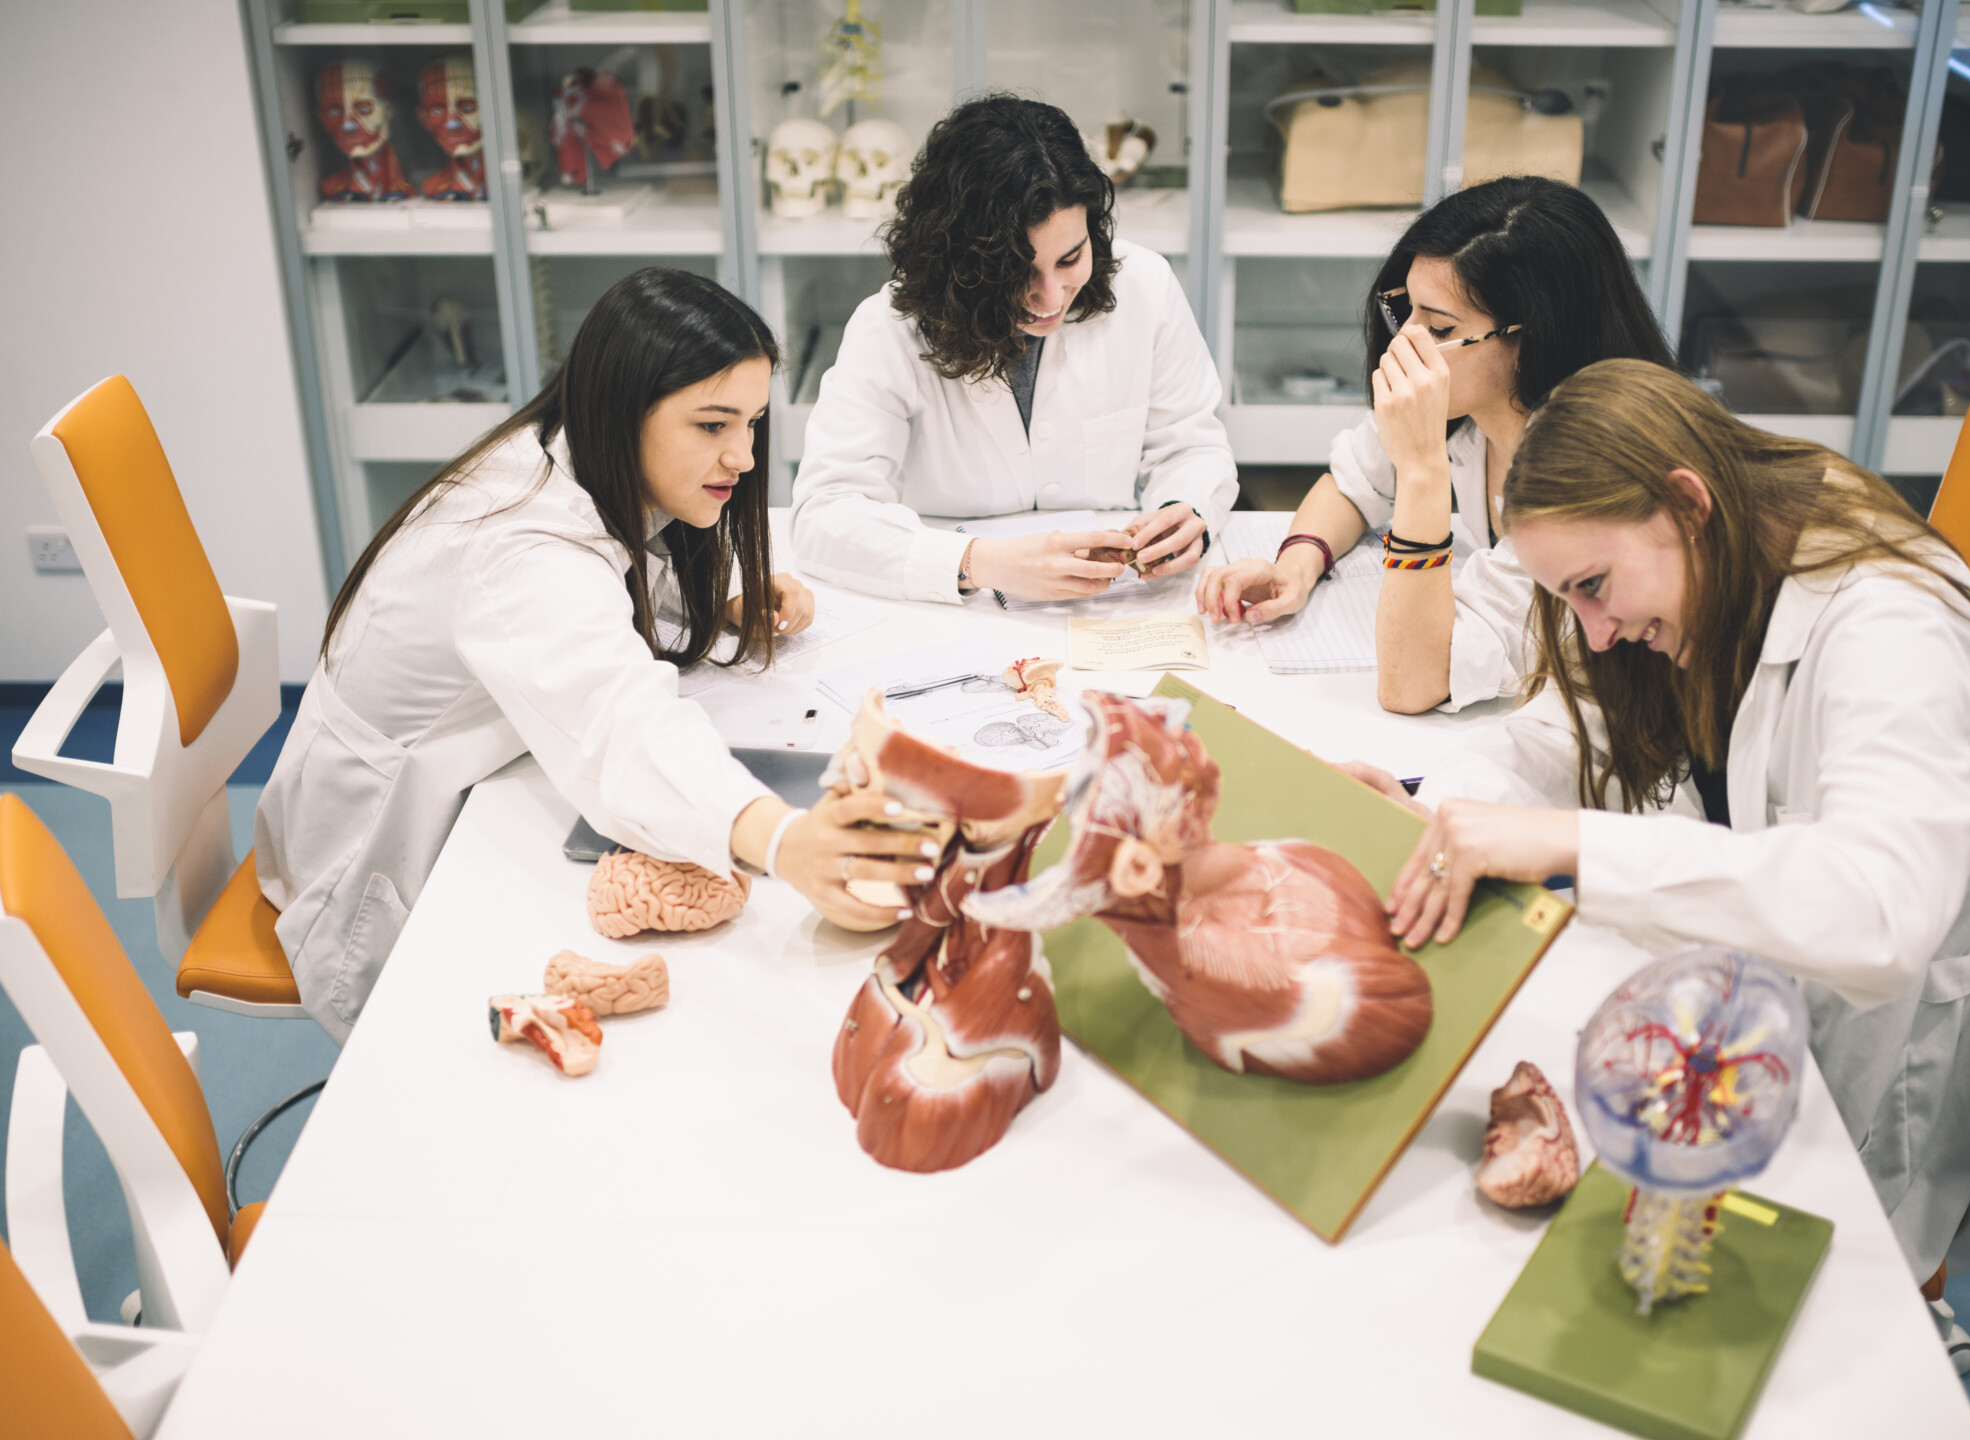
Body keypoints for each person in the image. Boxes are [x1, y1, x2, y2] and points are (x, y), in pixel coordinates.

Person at [1357, 359, 1970, 1284]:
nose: (1591, 631)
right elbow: (1562, 737)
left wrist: (1574, 845)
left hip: (1849, 1064)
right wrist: (1440, 817)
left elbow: (1883, 913)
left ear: (1686, 501)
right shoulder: (1708, 556)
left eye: (1594, 586)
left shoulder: (1888, 625)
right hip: (1718, 998)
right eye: (1567, 601)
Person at [256, 268, 939, 1042]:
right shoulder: (519, 549)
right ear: (623, 409)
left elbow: (610, 568)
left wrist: (709, 606)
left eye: (751, 423)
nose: (744, 458)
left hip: (471, 777)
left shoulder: (566, 455)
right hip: (378, 858)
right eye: (712, 426)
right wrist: (783, 841)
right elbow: (622, 723)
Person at [1194, 177, 1675, 715]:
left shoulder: (1589, 476)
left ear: (1534, 336)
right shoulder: (1475, 407)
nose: (1406, 342)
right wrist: (1297, 567)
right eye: (1408, 311)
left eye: (1439, 326)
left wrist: (1423, 471)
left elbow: (1414, 683)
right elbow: (1356, 482)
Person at [790, 95, 1237, 604]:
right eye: (1017, 273)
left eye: (1070, 258)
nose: (1049, 298)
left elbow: (1191, 445)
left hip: (1113, 606)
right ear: (956, 263)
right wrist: (980, 564)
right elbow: (824, 513)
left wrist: (1186, 509)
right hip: (955, 611)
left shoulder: (1146, 285)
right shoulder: (890, 327)